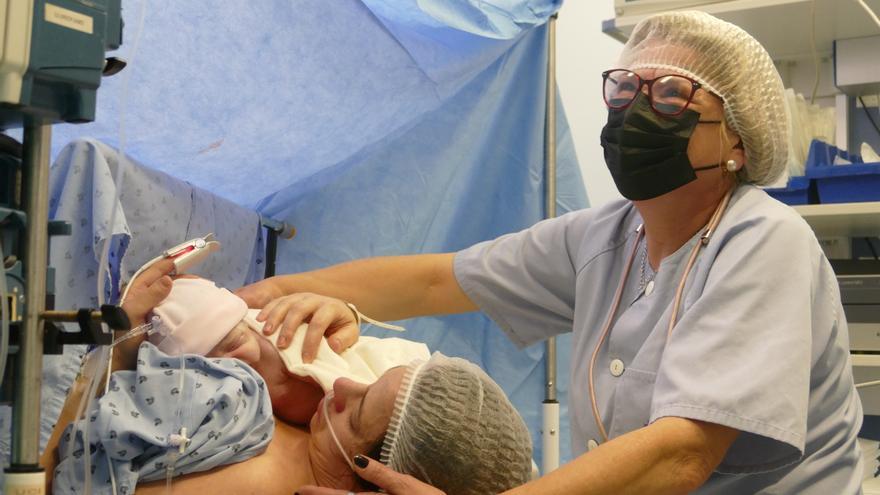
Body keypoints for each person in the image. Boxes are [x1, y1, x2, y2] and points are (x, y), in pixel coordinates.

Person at [238, 10, 864, 495]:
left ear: (740, 142)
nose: (636, 112)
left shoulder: (764, 240)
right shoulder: (605, 236)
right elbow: (436, 281)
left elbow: (683, 452)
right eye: (624, 89)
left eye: (672, 95)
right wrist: (274, 295)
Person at [41, 260, 533, 495]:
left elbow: (56, 470)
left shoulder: (257, 477)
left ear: (375, 479)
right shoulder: (281, 421)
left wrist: (113, 346)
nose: (341, 385)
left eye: (357, 409)